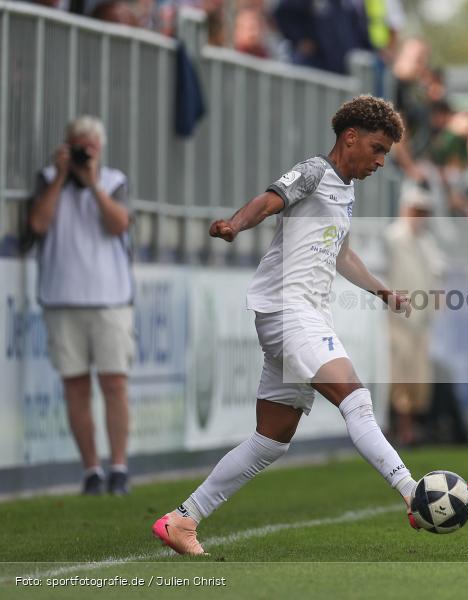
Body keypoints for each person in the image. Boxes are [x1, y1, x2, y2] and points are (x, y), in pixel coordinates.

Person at [152, 95, 420, 556]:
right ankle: (412, 491)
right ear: (350, 137)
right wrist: (236, 225)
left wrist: (382, 292)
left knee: (270, 441)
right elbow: (269, 199)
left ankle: (183, 519)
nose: (380, 161)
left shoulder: (347, 190)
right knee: (356, 399)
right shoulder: (314, 171)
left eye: (386, 154)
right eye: (377, 148)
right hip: (287, 311)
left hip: (305, 315)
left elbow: (342, 255)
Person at [28, 116, 134, 496]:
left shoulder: (113, 181)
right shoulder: (47, 179)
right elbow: (38, 224)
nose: (82, 154)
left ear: (99, 150)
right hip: (61, 298)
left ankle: (118, 467)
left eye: (88, 148)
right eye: (77, 147)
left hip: (110, 299)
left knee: (114, 383)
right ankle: (91, 470)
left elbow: (119, 224)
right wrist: (60, 178)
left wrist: (92, 186)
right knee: (75, 386)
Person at [383, 183, 443, 445]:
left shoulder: (427, 243)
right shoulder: (393, 238)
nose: (421, 216)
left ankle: (408, 429)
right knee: (400, 375)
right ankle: (402, 430)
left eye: (424, 211)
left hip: (421, 320)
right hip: (397, 319)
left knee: (418, 378)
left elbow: (437, 275)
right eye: (417, 210)